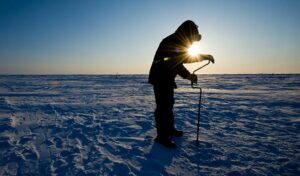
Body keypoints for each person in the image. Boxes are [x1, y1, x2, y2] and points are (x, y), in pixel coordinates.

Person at [148, 20, 214, 148]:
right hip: (160, 78)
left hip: (166, 78)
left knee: (168, 104)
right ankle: (162, 136)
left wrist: (203, 56)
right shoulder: (172, 41)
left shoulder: (178, 40)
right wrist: (189, 75)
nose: (192, 42)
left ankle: (170, 129)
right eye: (193, 37)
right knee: (163, 107)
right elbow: (178, 63)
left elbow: (183, 58)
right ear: (188, 33)